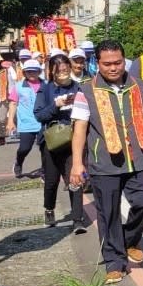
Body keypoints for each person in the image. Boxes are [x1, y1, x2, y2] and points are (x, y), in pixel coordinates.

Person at [70, 40, 143, 283]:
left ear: (124, 60)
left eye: (117, 62)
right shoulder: (86, 90)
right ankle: (114, 262)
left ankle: (128, 240)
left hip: (139, 158)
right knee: (108, 213)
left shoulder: (140, 86)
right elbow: (79, 129)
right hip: (103, 161)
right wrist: (78, 163)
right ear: (98, 63)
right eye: (107, 64)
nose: (113, 68)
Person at [34, 53, 84, 232]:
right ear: (52, 72)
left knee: (75, 178)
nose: (63, 73)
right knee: (52, 180)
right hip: (51, 141)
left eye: (66, 70)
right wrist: (56, 105)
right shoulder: (45, 89)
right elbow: (39, 115)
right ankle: (49, 209)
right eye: (59, 71)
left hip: (73, 140)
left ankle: (77, 219)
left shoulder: (78, 88)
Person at [6, 59, 44, 178]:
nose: (32, 74)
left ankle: (45, 171)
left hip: (43, 122)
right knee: (24, 148)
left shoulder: (47, 85)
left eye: (34, 71)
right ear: (24, 73)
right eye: (29, 72)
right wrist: (10, 121)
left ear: (39, 71)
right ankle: (19, 162)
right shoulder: (18, 87)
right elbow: (13, 104)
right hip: (26, 123)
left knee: (45, 149)